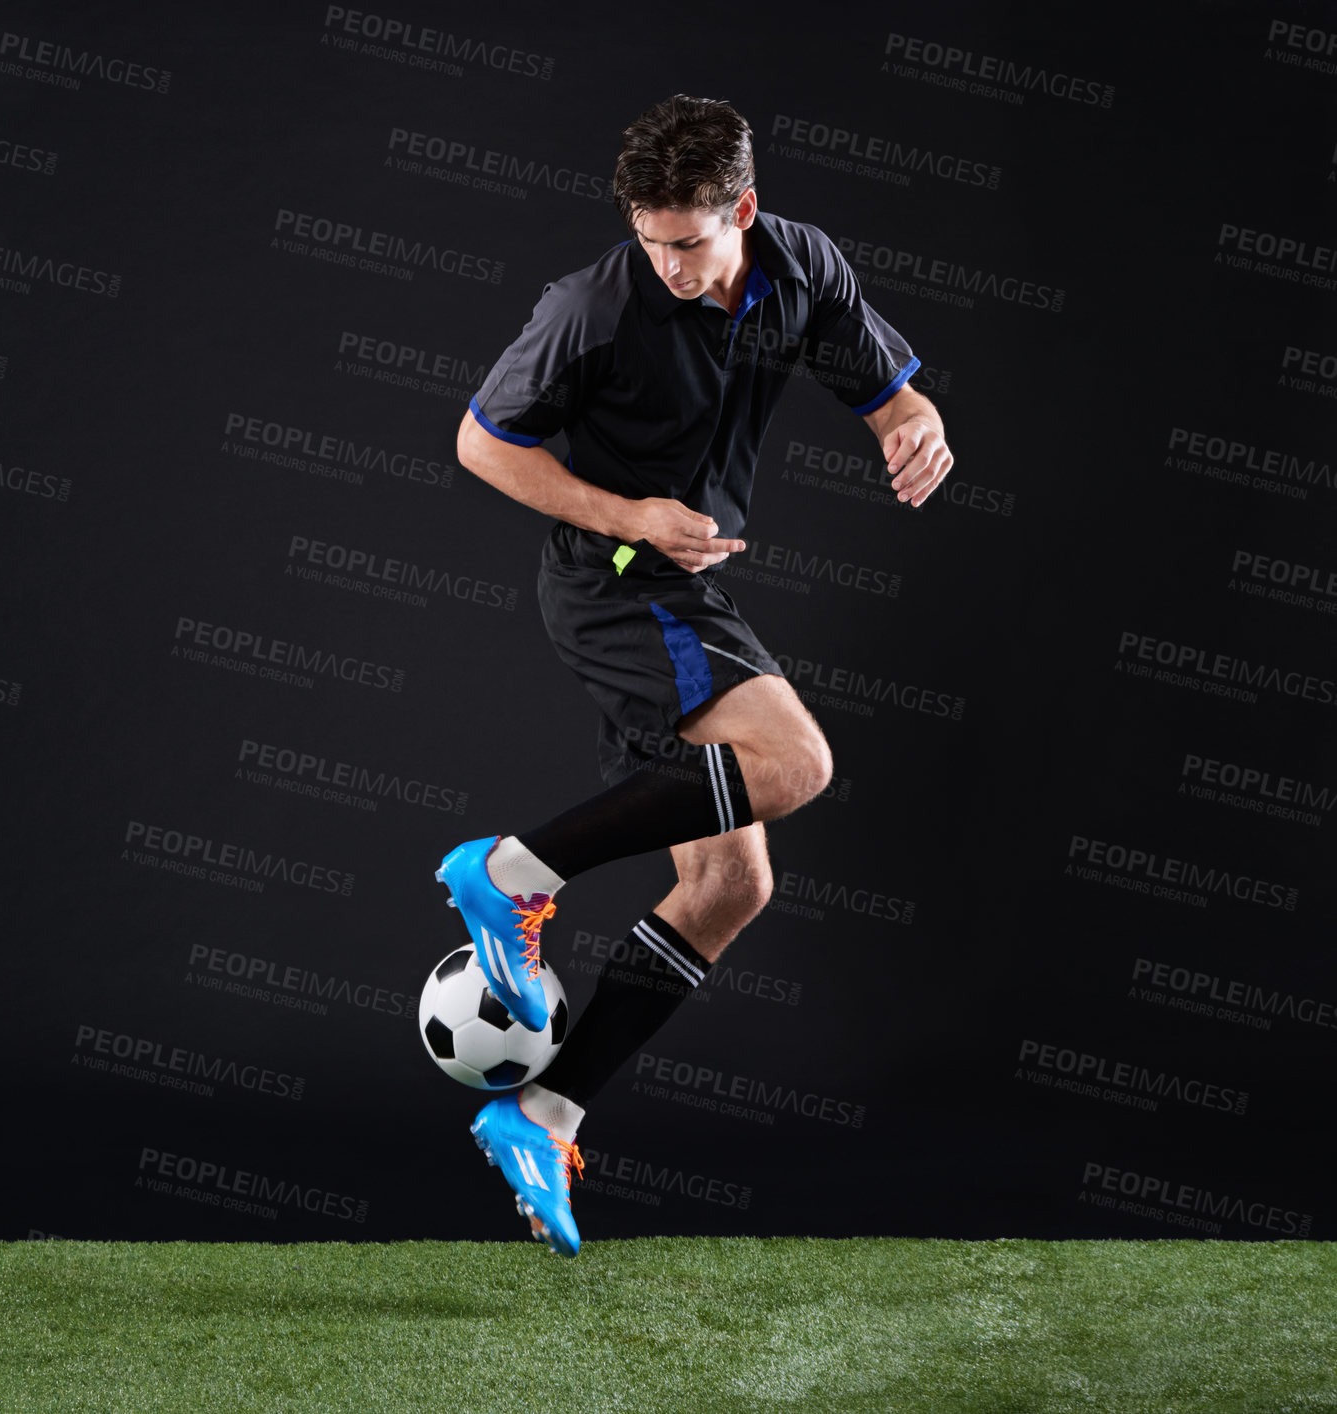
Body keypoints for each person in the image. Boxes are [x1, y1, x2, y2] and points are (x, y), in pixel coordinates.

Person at [436, 94, 955, 1256]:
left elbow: (884, 386)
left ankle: (537, 1110)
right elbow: (480, 442)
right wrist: (629, 510)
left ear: (745, 211)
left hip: (677, 584)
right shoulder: (591, 307)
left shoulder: (798, 264)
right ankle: (507, 873)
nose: (667, 262)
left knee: (728, 888)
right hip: (613, 577)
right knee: (795, 761)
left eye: (689, 239)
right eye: (649, 236)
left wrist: (911, 421)